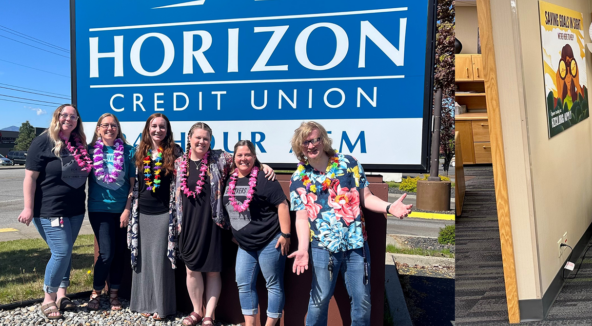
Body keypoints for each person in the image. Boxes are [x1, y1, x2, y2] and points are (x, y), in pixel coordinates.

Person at [289, 121, 413, 326]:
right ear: (299, 147)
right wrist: (303, 248)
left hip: (356, 245)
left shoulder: (349, 163)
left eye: (315, 139)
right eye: (305, 142)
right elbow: (302, 218)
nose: (311, 146)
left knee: (362, 302)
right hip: (322, 248)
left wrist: (390, 207)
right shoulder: (298, 179)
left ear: (323, 140)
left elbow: (366, 197)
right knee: (318, 303)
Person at [174, 124, 277, 326]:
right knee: (191, 269)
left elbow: (245, 160)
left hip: (213, 222)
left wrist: (263, 166)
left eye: (206, 138)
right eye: (198, 138)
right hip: (188, 222)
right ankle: (196, 311)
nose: (202, 142)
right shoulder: (179, 163)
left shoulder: (220, 158)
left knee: (213, 270)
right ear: (189, 138)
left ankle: (208, 315)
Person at [19, 104, 90, 320]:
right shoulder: (43, 141)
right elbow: (30, 177)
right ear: (57, 117)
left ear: (77, 120)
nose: (69, 119)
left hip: (76, 209)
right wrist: (28, 207)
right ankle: (48, 298)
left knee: (66, 252)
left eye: (73, 116)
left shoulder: (79, 143)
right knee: (61, 251)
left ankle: (62, 294)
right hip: (50, 209)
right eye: (64, 115)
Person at [226, 140, 291, 326]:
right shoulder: (230, 178)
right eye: (239, 155)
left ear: (254, 157)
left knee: (273, 284)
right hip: (244, 244)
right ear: (234, 158)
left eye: (248, 155)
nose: (243, 158)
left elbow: (282, 205)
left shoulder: (264, 178)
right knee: (243, 282)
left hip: (269, 240)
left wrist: (286, 235)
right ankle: (250, 324)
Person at [128, 114, 182, 321]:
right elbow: (134, 185)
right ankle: (143, 302)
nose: (158, 130)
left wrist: (262, 165)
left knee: (161, 260)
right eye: (154, 126)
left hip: (164, 214)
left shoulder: (175, 153)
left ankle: (162, 305)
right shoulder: (139, 152)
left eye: (162, 127)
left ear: (167, 130)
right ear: (147, 128)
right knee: (142, 259)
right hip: (142, 213)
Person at [85, 113, 136, 313]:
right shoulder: (89, 151)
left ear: (118, 129)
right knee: (106, 253)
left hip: (122, 211)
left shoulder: (128, 152)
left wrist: (127, 210)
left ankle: (114, 293)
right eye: (105, 125)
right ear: (98, 129)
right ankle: (96, 292)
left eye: (113, 125)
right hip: (99, 209)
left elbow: (133, 185)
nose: (109, 128)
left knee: (119, 253)